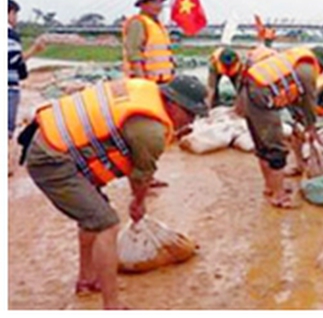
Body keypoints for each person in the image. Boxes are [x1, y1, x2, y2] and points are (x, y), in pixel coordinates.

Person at [21, 74, 208, 310]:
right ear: (172, 103)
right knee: (106, 223)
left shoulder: (145, 92)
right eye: (190, 113)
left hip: (51, 140)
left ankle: (87, 279)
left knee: (93, 214)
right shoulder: (150, 130)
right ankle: (111, 306)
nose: (191, 121)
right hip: (51, 158)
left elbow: (132, 150)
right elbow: (141, 174)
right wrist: (138, 204)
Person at [238, 44, 323, 208]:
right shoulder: (308, 71)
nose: (322, 74)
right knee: (276, 150)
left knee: (263, 146)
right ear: (321, 64)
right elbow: (309, 102)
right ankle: (278, 196)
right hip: (261, 99)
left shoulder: (294, 64)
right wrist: (311, 127)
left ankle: (271, 187)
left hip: (249, 94)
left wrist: (298, 121)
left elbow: (292, 96)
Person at [8, 0, 46, 176]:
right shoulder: (10, 34)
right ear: (10, 13)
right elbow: (14, 61)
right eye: (15, 14)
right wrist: (35, 50)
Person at [122, 0, 176, 83]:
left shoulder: (158, 25)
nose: (158, 6)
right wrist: (142, 82)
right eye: (154, 2)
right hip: (146, 82)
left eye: (160, 2)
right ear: (142, 4)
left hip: (162, 81)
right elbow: (134, 54)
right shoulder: (138, 23)